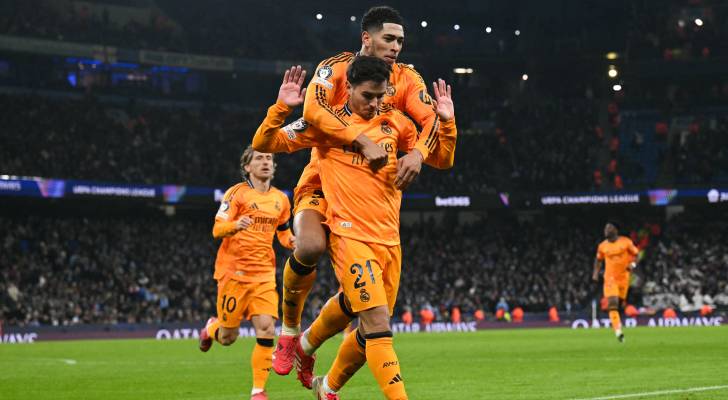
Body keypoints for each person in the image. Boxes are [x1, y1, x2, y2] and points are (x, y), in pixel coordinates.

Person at [270, 5, 456, 387]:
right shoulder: (336, 68)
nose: (396, 47)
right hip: (323, 179)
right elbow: (312, 111)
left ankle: (309, 351)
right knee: (309, 246)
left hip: (370, 196)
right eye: (389, 39)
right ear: (366, 38)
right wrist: (357, 138)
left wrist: (418, 154)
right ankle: (288, 332)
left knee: (362, 305)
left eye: (401, 40)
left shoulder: (407, 79)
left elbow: (430, 123)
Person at [197, 146, 295, 400]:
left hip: (264, 275)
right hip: (234, 274)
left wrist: (292, 242)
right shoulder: (236, 194)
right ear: (247, 167)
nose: (265, 162)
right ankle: (212, 328)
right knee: (228, 337)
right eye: (259, 158)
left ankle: (258, 391)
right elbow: (217, 230)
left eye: (269, 158)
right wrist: (235, 225)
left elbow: (283, 233)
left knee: (267, 329)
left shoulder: (281, 199)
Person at [593, 221, 639, 343]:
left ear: (615, 230)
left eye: (609, 228)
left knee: (620, 305)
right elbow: (598, 260)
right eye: (605, 228)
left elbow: (636, 254)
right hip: (610, 279)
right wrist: (595, 273)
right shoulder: (602, 246)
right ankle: (618, 331)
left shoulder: (626, 242)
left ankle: (617, 323)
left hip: (624, 278)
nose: (606, 230)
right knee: (612, 303)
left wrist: (632, 265)